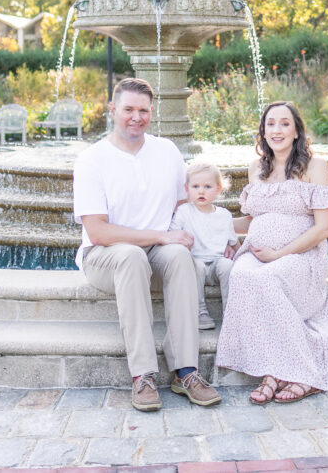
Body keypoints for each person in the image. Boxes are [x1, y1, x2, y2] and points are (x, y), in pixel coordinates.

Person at [215, 101, 328, 404]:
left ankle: (295, 374)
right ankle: (277, 370)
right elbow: (254, 218)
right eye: (271, 123)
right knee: (242, 276)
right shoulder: (256, 168)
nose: (277, 130)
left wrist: (280, 254)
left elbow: (324, 228)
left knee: (265, 280)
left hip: (300, 258)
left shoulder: (316, 167)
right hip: (256, 253)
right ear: (263, 130)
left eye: (285, 123)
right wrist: (211, 221)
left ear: (297, 130)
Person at [72, 77, 221, 412]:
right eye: (128, 109)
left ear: (151, 112)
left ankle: (185, 371)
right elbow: (98, 232)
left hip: (155, 252)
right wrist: (159, 236)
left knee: (181, 256)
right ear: (113, 110)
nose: (135, 117)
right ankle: (143, 375)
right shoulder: (92, 160)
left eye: (143, 110)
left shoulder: (166, 151)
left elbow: (187, 207)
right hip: (105, 257)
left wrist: (220, 239)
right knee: (129, 257)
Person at [170, 162, 238, 330]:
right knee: (197, 266)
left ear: (218, 189)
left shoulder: (224, 215)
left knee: (227, 265)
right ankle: (200, 311)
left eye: (208, 186)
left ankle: (231, 313)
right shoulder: (184, 211)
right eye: (195, 186)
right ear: (186, 189)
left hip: (216, 264)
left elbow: (234, 243)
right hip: (194, 263)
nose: (201, 191)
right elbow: (173, 234)